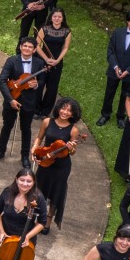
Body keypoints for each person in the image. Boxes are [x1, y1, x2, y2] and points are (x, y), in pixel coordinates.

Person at [32, 97, 83, 233]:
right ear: (58, 108)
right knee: (39, 189)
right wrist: (35, 147)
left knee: (56, 192)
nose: (65, 112)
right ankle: (35, 216)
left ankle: (47, 221)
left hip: (61, 166)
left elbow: (72, 153)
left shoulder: (73, 131)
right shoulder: (47, 122)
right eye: (63, 108)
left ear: (73, 114)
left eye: (69, 110)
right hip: (45, 160)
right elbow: (39, 137)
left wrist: (71, 147)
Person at [0, 36, 45, 164]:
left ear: (34, 49)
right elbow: (1, 81)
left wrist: (36, 85)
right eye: (24, 46)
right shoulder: (12, 61)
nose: (27, 48)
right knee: (7, 126)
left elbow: (42, 81)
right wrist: (10, 100)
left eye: (30, 47)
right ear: (20, 47)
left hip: (29, 101)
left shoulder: (39, 63)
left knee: (26, 129)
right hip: (12, 98)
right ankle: (0, 151)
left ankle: (25, 156)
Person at [97, 9, 130, 127]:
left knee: (126, 95)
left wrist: (128, 70)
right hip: (114, 69)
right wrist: (115, 66)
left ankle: (121, 116)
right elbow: (110, 51)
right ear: (127, 21)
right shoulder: (117, 32)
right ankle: (105, 115)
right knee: (109, 93)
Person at [35, 7, 72, 115]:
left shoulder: (67, 31)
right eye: (55, 16)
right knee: (39, 85)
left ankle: (45, 111)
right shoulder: (44, 28)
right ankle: (36, 110)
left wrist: (58, 60)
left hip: (57, 62)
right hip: (42, 60)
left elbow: (65, 47)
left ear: (62, 18)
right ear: (51, 17)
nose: (57, 18)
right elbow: (37, 45)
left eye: (59, 17)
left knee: (52, 88)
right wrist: (46, 58)